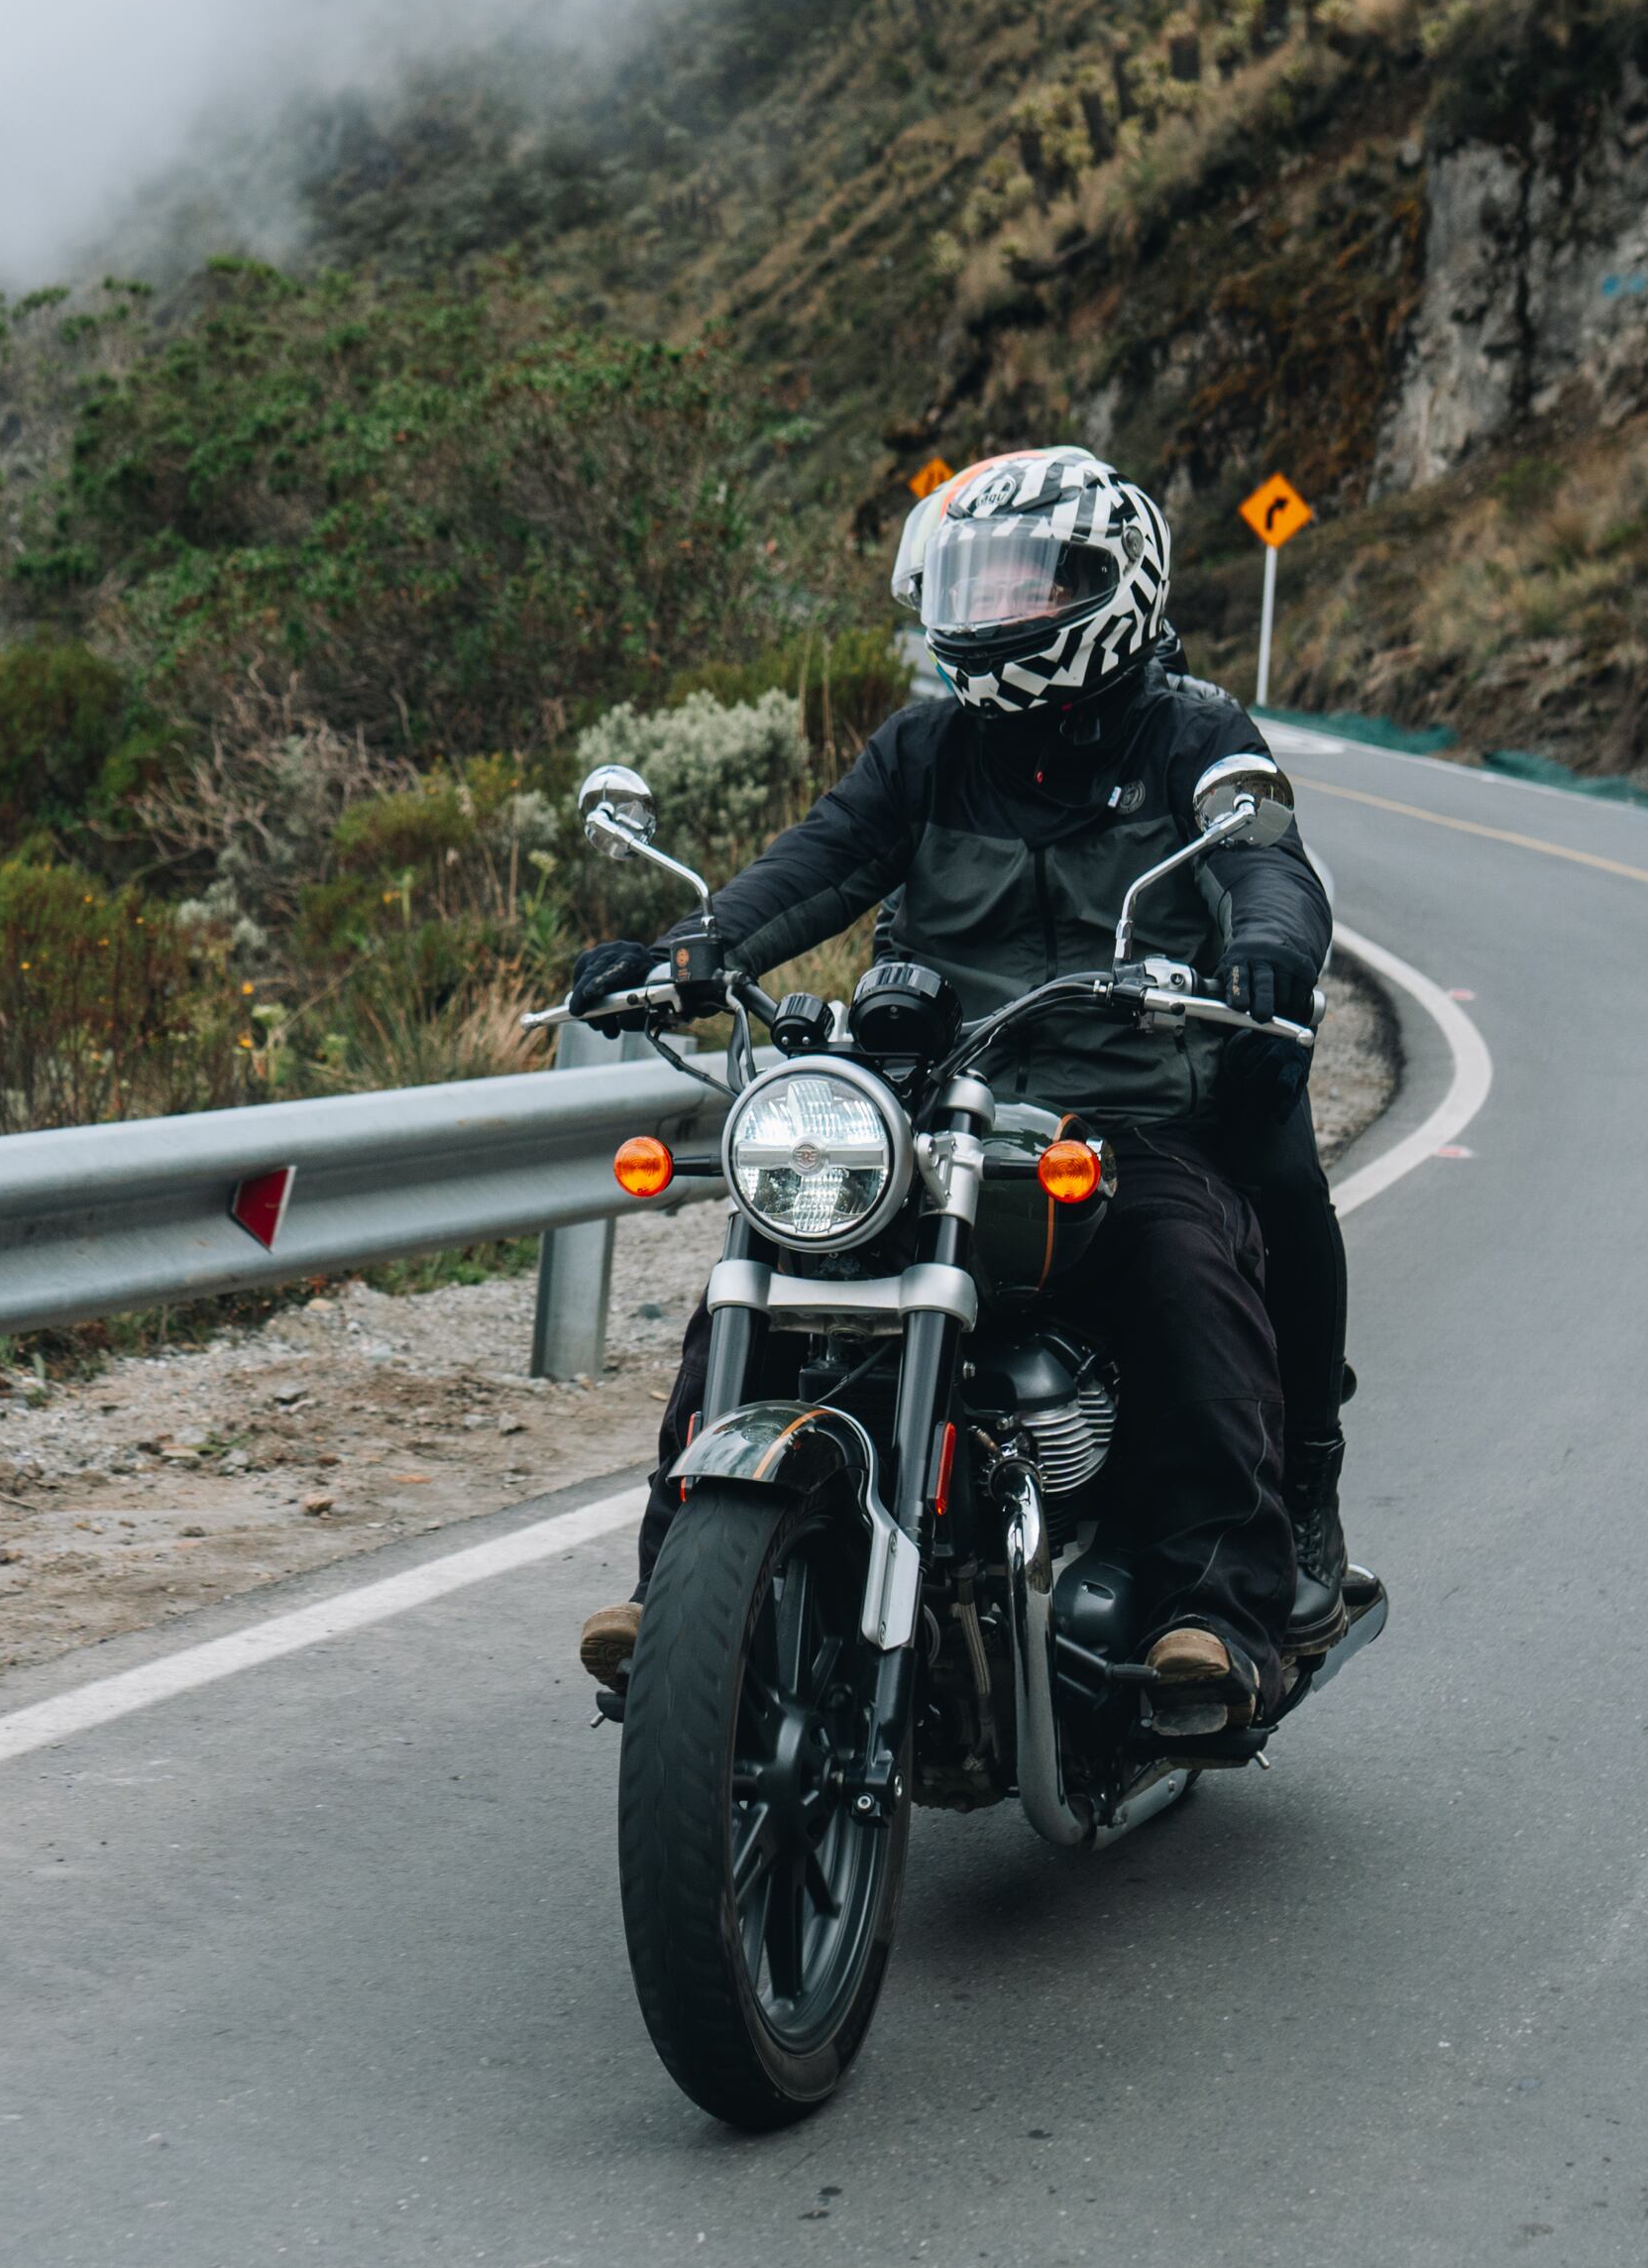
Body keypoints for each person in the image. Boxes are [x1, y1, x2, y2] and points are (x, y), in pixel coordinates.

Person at [568, 445, 1367, 1727]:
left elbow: (1266, 860)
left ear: (1115, 587)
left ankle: (1218, 1608)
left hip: (1126, 1113)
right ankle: (681, 1592)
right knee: (769, 1264)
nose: (998, 609)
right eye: (979, 583)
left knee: (1184, 1266)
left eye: (1029, 584)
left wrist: (1270, 946)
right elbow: (815, 863)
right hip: (935, 1104)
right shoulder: (928, 748)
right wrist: (689, 952)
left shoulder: (1193, 734)